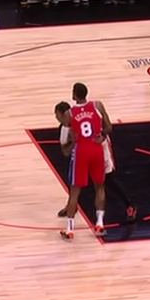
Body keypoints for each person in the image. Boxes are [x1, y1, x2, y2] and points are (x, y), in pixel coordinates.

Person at [54, 101, 135, 221]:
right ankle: (71, 206)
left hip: (100, 148)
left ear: (64, 114)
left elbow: (106, 128)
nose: (56, 117)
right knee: (75, 180)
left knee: (108, 179)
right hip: (84, 152)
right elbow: (66, 152)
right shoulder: (64, 129)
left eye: (57, 114)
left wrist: (102, 135)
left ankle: (130, 205)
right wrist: (74, 143)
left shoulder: (85, 116)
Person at [59, 82, 112, 240]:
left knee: (75, 191)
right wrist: (102, 135)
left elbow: (67, 131)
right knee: (100, 187)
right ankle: (100, 224)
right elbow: (109, 127)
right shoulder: (97, 105)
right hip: (96, 148)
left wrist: (71, 139)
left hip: (81, 150)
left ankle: (70, 229)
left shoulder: (69, 113)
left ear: (74, 94)